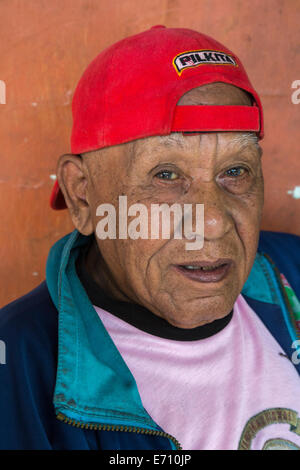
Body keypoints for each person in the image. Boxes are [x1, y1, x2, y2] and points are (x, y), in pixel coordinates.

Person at [1, 25, 300, 451]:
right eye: (166, 176)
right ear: (83, 195)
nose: (213, 222)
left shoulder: (292, 269)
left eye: (236, 171)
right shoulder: (19, 366)